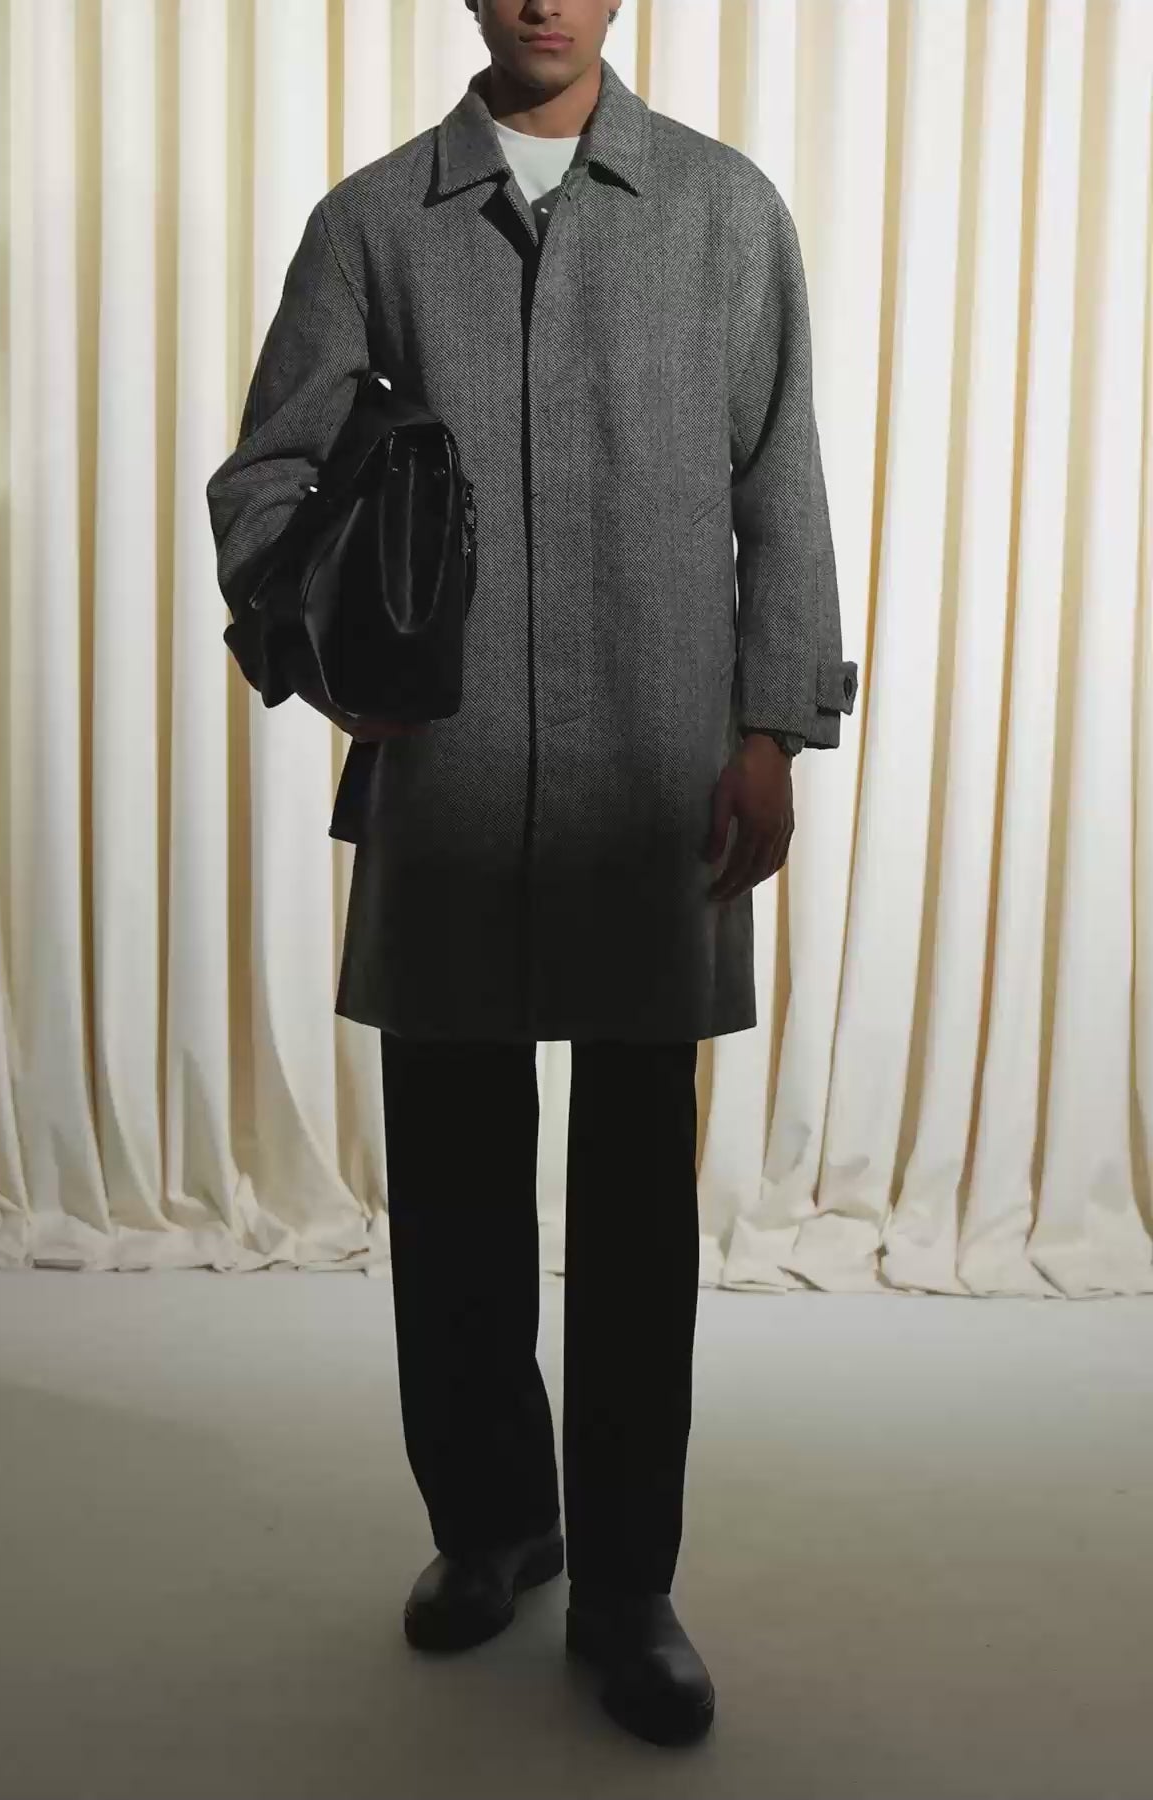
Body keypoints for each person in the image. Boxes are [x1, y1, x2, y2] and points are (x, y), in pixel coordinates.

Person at [206, 0, 857, 1752]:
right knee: (454, 1192)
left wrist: (774, 729)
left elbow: (782, 485)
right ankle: (496, 1521)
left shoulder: (724, 214)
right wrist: (341, 661)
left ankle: (632, 1586)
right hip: (453, 782)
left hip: (660, 786)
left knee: (639, 1207)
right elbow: (266, 480)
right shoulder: (371, 225)